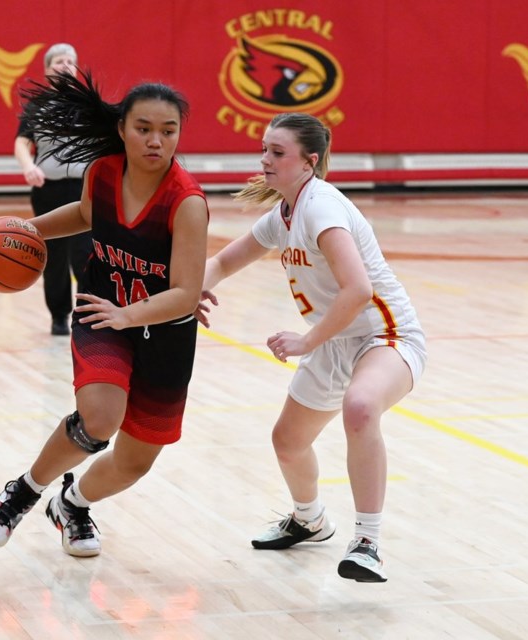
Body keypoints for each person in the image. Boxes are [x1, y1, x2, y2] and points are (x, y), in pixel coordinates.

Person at [0, 70, 209, 557]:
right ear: (122, 128)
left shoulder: (186, 201)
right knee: (99, 418)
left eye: (168, 131)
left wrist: (132, 315)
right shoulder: (102, 171)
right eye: (144, 128)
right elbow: (86, 215)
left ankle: (72, 505)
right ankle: (23, 491)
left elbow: (186, 293)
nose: (156, 140)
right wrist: (22, 230)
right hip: (102, 309)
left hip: (163, 332)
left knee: (135, 462)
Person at [196, 113, 426, 583]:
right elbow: (221, 261)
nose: (265, 159)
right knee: (288, 442)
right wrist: (188, 294)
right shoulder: (282, 214)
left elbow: (358, 289)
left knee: (360, 407)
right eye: (264, 149)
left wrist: (306, 340)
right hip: (335, 339)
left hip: (385, 334)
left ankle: (367, 542)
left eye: (277, 153)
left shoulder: (321, 207)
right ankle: (310, 520)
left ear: (309, 162)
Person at [14, 43, 94, 336]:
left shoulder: (89, 103)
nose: (66, 65)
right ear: (47, 70)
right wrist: (28, 166)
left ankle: (86, 315)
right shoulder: (37, 105)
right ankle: (59, 316)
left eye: (71, 61)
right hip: (48, 190)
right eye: (59, 61)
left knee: (86, 254)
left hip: (84, 189)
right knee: (54, 256)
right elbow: (22, 142)